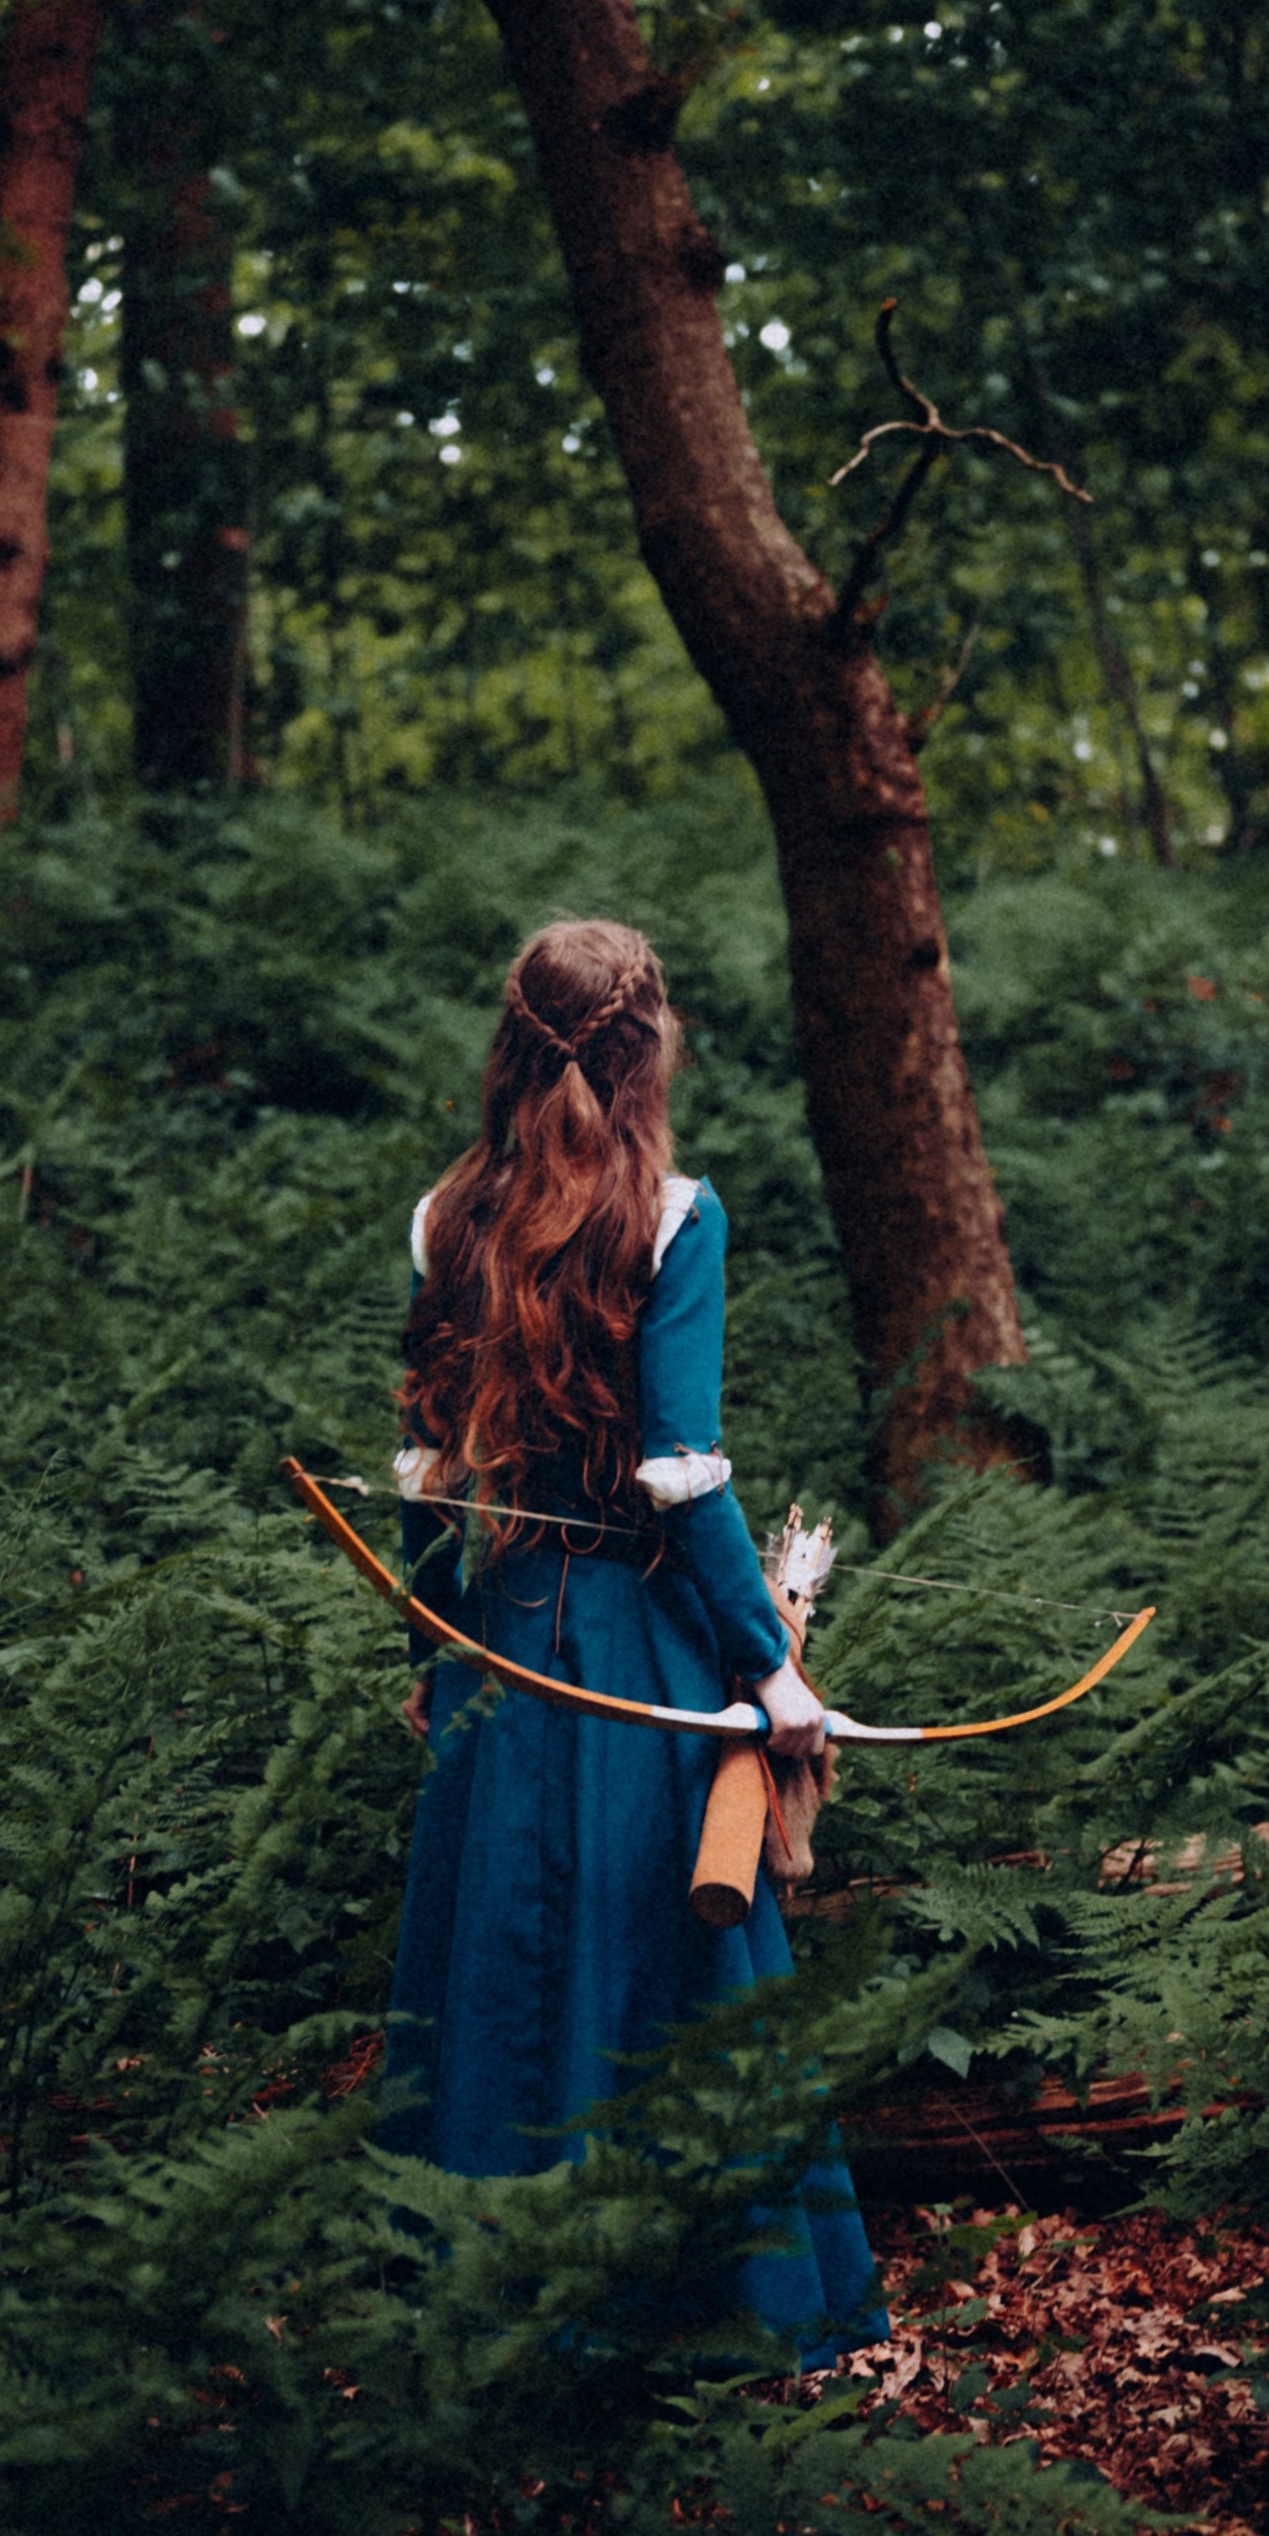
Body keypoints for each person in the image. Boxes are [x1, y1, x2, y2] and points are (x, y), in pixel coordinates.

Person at [385, 918, 886, 2362]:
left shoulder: (443, 1216)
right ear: (648, 1046)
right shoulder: (675, 1215)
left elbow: (426, 1481)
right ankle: (701, 2317)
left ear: (511, 1044)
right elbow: (682, 1476)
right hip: (640, 1652)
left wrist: (436, 1659)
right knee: (661, 1971)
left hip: (505, 1654)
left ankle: (499, 2308)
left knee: (505, 1955)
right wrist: (776, 1677)